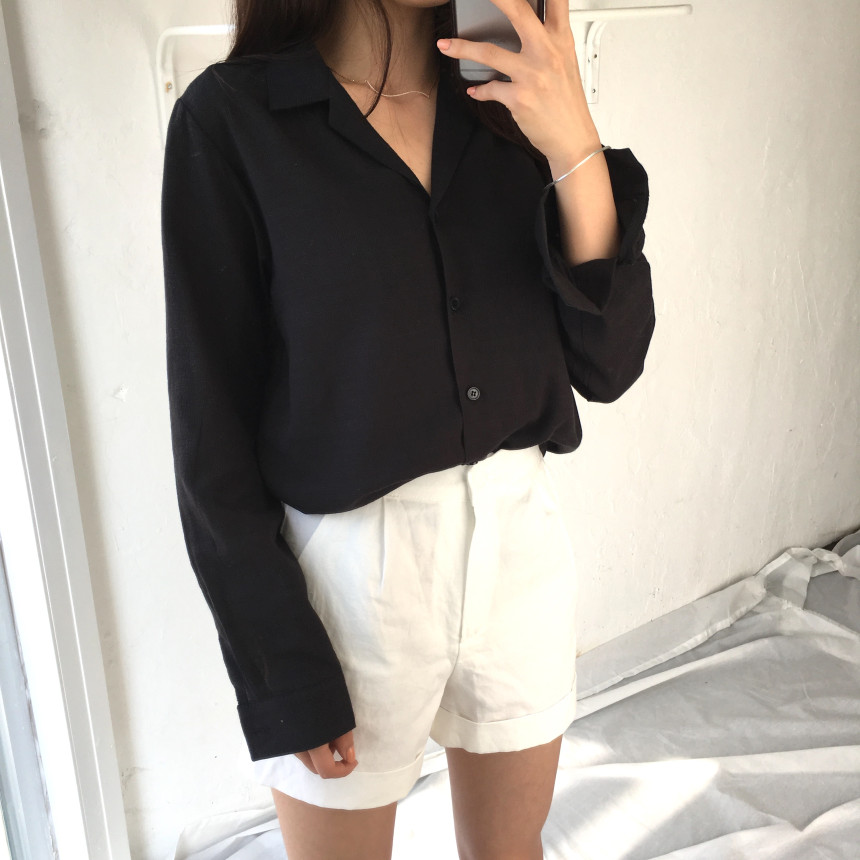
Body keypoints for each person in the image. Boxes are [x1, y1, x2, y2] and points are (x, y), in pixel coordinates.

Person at [161, 0, 655, 855]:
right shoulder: (232, 122)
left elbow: (609, 363)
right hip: (349, 581)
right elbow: (213, 438)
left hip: (518, 547)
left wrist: (574, 143)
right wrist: (279, 666)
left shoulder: (510, 104)